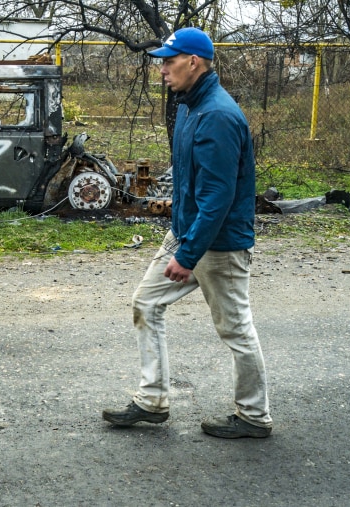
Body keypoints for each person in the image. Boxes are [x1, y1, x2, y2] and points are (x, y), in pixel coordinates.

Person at [102, 27, 273, 438]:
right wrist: (182, 239)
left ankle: (254, 417)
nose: (162, 69)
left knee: (235, 328)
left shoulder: (216, 115)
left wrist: (188, 254)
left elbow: (217, 196)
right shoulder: (188, 106)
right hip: (188, 234)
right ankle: (152, 401)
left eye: (169, 61)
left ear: (193, 62)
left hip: (218, 242)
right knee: (146, 302)